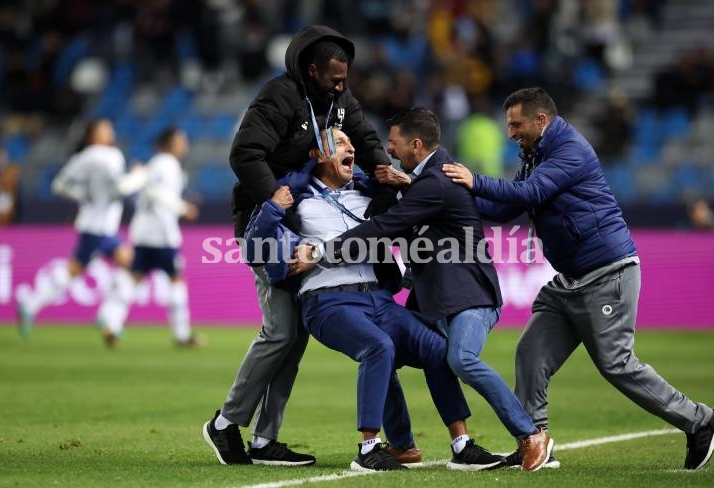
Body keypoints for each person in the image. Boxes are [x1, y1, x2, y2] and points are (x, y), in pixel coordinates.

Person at [442, 87, 714, 470]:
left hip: (608, 272)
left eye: (516, 124)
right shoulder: (535, 152)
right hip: (571, 280)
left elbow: (530, 192)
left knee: (616, 363)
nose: (511, 133)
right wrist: (454, 200)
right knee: (531, 353)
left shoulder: (570, 148)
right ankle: (535, 441)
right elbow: (508, 208)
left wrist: (474, 181)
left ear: (541, 120)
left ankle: (700, 421)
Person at [294, 108, 553, 471]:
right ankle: (415, 446)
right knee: (396, 351)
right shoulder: (427, 181)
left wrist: (321, 251)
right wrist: (403, 186)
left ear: (416, 145)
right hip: (438, 298)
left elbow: (386, 227)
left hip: (468, 295)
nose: (389, 150)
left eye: (395, 143)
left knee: (458, 358)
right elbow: (395, 229)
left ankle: (530, 435)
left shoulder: (435, 183)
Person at [243, 128, 507, 471]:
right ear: (316, 156)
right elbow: (252, 246)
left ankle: (462, 444)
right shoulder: (295, 199)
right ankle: (368, 448)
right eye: (339, 143)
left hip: (378, 300)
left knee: (438, 349)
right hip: (327, 302)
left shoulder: (370, 197)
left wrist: (402, 185)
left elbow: (414, 220)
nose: (349, 147)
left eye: (350, 143)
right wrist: (272, 208)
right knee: (378, 347)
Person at [202, 24, 396, 466]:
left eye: (346, 77)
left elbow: (365, 140)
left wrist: (382, 167)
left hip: (305, 228)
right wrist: (274, 198)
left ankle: (265, 439)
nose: (343, 86)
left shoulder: (341, 102)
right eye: (334, 78)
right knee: (281, 330)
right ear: (311, 71)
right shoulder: (279, 97)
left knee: (296, 336)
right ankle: (225, 424)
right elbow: (245, 153)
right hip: (268, 225)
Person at [16, 119, 138, 342]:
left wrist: (84, 197)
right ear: (93, 135)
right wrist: (141, 176)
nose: (110, 132)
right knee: (131, 266)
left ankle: (31, 305)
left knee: (74, 270)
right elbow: (122, 188)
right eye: (105, 129)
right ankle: (108, 318)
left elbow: (59, 185)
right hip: (100, 228)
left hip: (93, 225)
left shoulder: (82, 158)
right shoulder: (110, 156)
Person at [96, 128, 200, 348]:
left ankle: (112, 324)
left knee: (133, 278)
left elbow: (143, 188)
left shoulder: (154, 164)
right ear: (171, 143)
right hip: (162, 235)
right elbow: (158, 193)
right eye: (181, 140)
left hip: (142, 233)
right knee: (176, 280)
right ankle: (182, 335)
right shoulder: (169, 165)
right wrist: (183, 208)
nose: (185, 145)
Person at [0, 146, 21, 224]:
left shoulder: (12, 170)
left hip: (8, 201)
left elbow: (12, 183)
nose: (0, 160)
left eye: (1, 156)